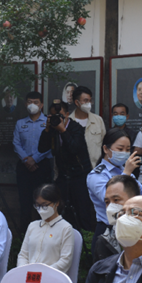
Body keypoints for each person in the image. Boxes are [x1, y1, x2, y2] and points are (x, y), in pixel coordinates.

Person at [87, 129, 142, 245]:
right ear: (106, 149)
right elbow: (110, 201)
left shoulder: (124, 171)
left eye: (128, 150)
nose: (124, 153)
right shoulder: (97, 175)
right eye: (120, 149)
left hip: (130, 227)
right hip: (107, 230)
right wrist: (126, 173)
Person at [38, 99, 94, 232]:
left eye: (60, 116)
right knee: (61, 210)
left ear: (67, 115)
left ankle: (86, 238)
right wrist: (47, 129)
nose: (57, 119)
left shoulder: (76, 128)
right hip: (63, 176)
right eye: (53, 116)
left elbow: (74, 148)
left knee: (82, 211)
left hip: (79, 176)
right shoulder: (52, 129)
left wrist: (63, 130)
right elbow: (42, 148)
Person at [13, 92, 53, 232]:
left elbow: (50, 145)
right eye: (30, 102)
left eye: (36, 102)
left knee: (43, 201)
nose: (32, 105)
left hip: (42, 166)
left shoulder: (48, 122)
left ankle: (44, 233)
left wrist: (35, 159)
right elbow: (16, 144)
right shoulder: (20, 123)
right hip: (24, 166)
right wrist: (26, 159)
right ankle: (24, 234)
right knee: (24, 202)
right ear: (25, 104)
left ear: (41, 105)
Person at [16, 183, 75, 274]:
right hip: (28, 276)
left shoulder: (65, 228)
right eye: (38, 205)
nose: (41, 209)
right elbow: (23, 255)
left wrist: (43, 273)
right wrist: (23, 271)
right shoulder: (32, 226)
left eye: (45, 205)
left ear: (56, 203)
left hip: (51, 277)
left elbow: (65, 261)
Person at [69, 86, 106, 166]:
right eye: (85, 101)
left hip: (95, 167)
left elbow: (105, 145)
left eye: (90, 101)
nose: (89, 104)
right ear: (77, 102)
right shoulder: (68, 122)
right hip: (75, 169)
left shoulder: (98, 120)